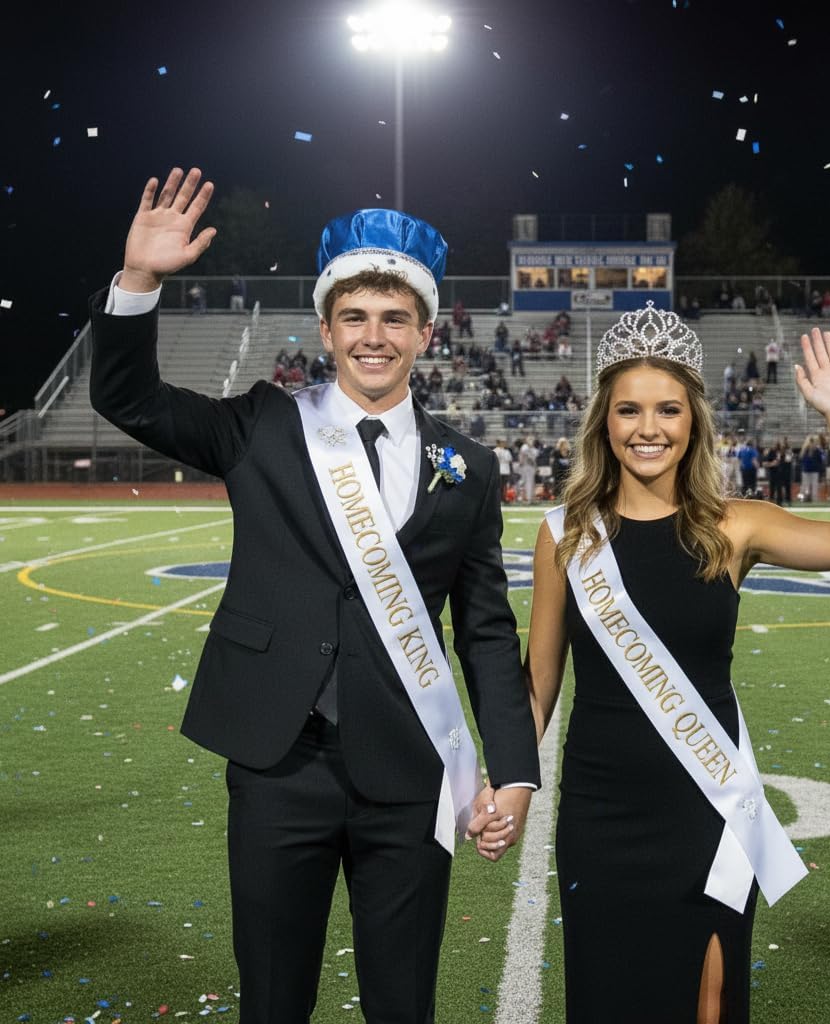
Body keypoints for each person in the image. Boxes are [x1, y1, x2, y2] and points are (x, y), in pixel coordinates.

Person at [89, 168, 539, 1024]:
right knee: (272, 998)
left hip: (410, 768)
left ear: (428, 332)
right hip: (276, 761)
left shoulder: (469, 468)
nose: (375, 337)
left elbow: (485, 630)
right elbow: (127, 397)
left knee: (402, 1002)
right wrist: (140, 279)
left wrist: (513, 769)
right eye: (356, 319)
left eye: (395, 320)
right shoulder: (261, 424)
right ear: (327, 330)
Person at [518, 306, 830, 1024]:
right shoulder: (565, 534)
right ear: (604, 421)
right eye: (628, 410)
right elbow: (539, 683)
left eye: (667, 409)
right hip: (600, 814)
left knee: (707, 1004)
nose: (647, 428)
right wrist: (505, 779)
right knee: (607, 1000)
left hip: (706, 811)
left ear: (693, 422)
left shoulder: (733, 524)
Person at [799, 433, 824, 502]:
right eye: (810, 442)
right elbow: (801, 459)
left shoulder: (817, 451)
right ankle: (802, 498)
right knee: (804, 485)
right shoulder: (804, 450)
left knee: (815, 485)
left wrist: (819, 468)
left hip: (815, 470)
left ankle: (814, 499)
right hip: (806, 470)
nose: (811, 444)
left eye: (813, 442)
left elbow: (821, 460)